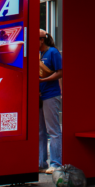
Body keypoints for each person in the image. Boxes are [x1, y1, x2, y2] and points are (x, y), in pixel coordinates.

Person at [38, 30, 62, 174]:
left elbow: (60, 72)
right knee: (40, 130)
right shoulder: (38, 54)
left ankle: (56, 163)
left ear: (42, 40)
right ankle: (41, 162)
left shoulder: (52, 52)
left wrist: (43, 80)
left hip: (50, 94)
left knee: (53, 129)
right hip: (39, 94)